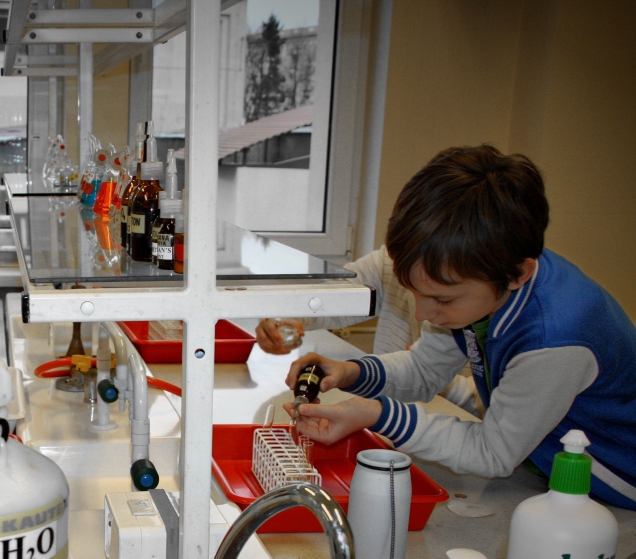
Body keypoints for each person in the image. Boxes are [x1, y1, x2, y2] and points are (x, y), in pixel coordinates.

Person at [285, 145, 636, 509]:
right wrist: (350, 373)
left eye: (443, 300)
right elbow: (424, 370)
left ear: (518, 274)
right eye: (415, 293)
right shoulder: (484, 272)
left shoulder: (554, 340)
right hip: (545, 467)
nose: (423, 314)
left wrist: (376, 414)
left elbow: (491, 453)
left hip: (616, 486)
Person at [254, 253, 480, 415]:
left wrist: (436, 377)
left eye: (444, 299)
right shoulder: (393, 258)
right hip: (395, 414)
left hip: (449, 421)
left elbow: (490, 426)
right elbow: (327, 294)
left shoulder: (483, 292)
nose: (421, 314)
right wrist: (281, 320)